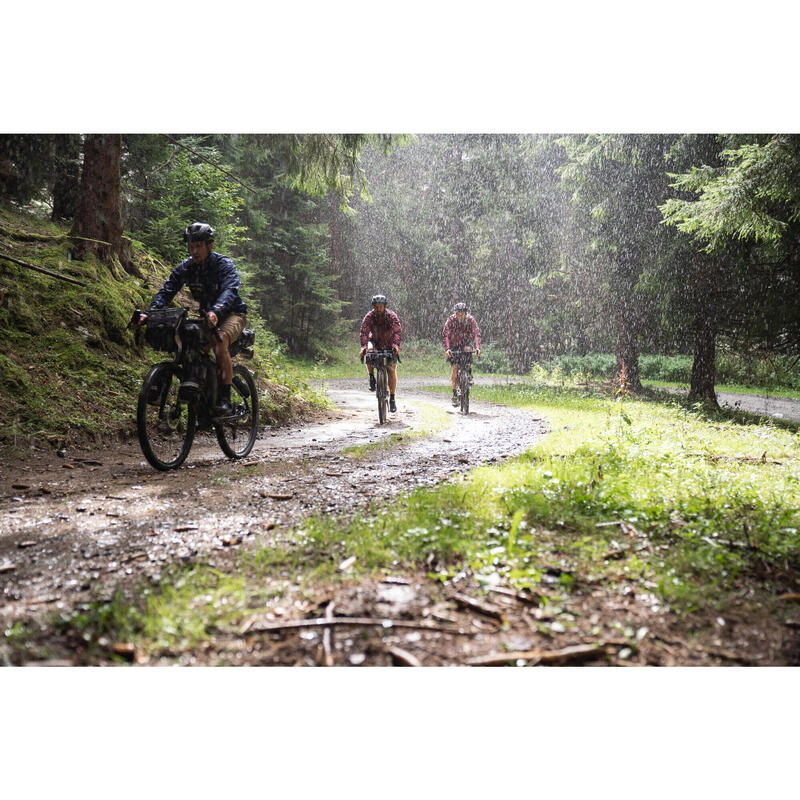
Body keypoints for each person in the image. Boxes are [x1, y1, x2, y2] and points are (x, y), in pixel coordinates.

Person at [134, 222, 247, 415]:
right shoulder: (186, 267)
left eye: (199, 246)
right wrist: (149, 313)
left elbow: (230, 291)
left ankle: (225, 399)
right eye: (191, 246)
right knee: (184, 342)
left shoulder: (224, 265)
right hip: (206, 316)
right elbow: (166, 291)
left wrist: (216, 311)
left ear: (210, 246)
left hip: (232, 314)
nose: (194, 251)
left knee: (219, 341)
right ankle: (202, 388)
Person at [359, 294, 401, 413]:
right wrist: (363, 346)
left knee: (391, 369)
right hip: (375, 342)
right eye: (376, 306)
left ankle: (392, 398)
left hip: (389, 343)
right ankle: (372, 376)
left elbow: (397, 331)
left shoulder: (392, 316)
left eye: (381, 306)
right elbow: (364, 332)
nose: (378, 309)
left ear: (385, 306)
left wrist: (396, 345)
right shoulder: (369, 316)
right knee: (368, 350)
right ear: (373, 307)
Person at [443, 302, 481, 406]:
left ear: (466, 313)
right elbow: (445, 335)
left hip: (466, 343)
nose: (460, 316)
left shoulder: (471, 320)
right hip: (454, 344)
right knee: (455, 368)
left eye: (462, 314)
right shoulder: (450, 320)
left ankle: (468, 374)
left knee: (468, 350)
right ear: (455, 314)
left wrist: (477, 347)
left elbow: (476, 334)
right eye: (458, 314)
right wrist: (447, 349)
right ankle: (455, 393)